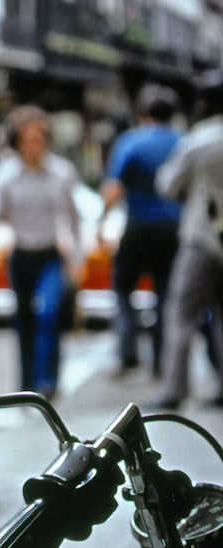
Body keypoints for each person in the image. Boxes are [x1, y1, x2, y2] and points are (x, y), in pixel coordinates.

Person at [0, 105, 82, 399]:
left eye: (40, 137)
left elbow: (73, 218)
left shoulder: (61, 173)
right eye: (29, 138)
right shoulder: (6, 177)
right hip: (21, 255)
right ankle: (27, 383)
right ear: (17, 141)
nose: (36, 144)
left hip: (49, 255)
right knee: (24, 321)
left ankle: (48, 380)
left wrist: (76, 257)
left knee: (49, 315)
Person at [98, 84, 182, 376]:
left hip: (139, 226)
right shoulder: (183, 142)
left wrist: (101, 221)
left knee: (123, 288)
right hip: (174, 229)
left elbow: (112, 188)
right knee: (166, 294)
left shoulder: (130, 142)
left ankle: (128, 352)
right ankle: (162, 359)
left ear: (142, 113)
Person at [152, 69, 223, 410]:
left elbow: (168, 185)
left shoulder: (198, 139)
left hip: (201, 237)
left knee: (181, 313)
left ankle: (174, 390)